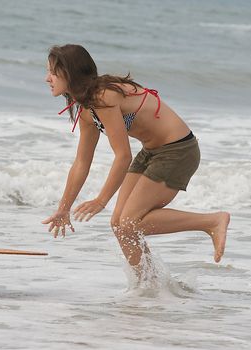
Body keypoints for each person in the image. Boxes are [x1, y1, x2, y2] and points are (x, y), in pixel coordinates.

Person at [41, 44, 230, 270]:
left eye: (52, 72)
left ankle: (212, 221)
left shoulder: (103, 96)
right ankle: (148, 284)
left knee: (130, 221)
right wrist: (64, 208)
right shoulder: (86, 110)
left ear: (69, 72)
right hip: (152, 151)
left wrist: (102, 200)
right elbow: (82, 162)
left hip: (178, 151)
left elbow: (123, 156)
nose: (47, 78)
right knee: (120, 225)